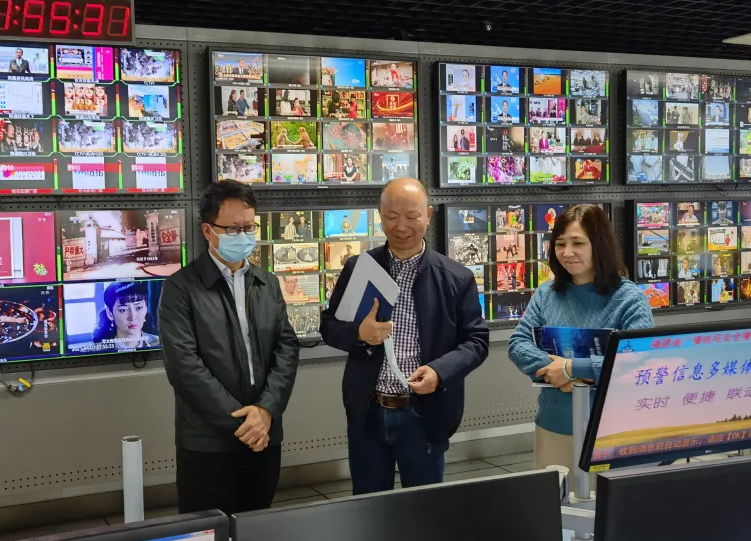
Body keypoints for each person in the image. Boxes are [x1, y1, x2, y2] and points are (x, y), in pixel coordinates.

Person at [321, 178, 489, 494]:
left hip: (424, 414)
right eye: (391, 216)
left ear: (428, 215)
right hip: (368, 412)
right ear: (379, 215)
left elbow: (476, 341)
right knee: (369, 506)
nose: (401, 227)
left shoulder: (455, 278)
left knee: (424, 509)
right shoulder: (359, 269)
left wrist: (439, 372)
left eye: (412, 216)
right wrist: (360, 333)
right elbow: (329, 327)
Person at [159, 180, 299, 515]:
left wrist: (265, 411)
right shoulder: (181, 289)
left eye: (249, 228)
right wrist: (244, 424)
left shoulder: (267, 283)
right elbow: (185, 367)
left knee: (257, 531)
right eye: (233, 229)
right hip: (208, 444)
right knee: (209, 536)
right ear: (208, 231)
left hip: (264, 436)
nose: (243, 235)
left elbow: (286, 348)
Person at [507, 205, 653, 471]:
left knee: (605, 498)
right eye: (560, 244)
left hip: (612, 430)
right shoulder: (546, 294)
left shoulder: (629, 298)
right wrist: (556, 372)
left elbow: (637, 359)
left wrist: (571, 368)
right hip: (553, 424)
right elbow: (518, 345)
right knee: (555, 496)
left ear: (600, 245)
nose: (567, 252)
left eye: (578, 243)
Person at [92, 281, 160, 350]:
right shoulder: (98, 350)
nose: (133, 317)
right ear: (110, 313)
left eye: (138, 308)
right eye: (123, 310)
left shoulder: (160, 343)